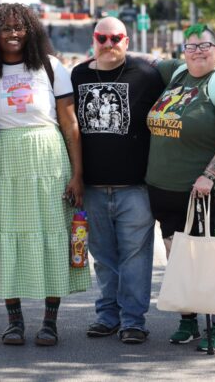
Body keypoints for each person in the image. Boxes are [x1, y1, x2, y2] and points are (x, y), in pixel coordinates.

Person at [0, 3, 89, 347]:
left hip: (48, 160)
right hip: (5, 162)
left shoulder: (50, 67)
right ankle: (14, 322)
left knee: (53, 236)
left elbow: (70, 124)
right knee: (7, 234)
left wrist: (77, 174)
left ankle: (50, 322)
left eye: (19, 27)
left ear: (31, 30)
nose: (13, 34)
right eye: (5, 28)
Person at [146, 23, 215, 351]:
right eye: (191, 46)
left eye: (204, 45)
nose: (197, 51)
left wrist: (209, 175)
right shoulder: (177, 74)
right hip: (168, 189)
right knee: (178, 255)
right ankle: (189, 320)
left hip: (212, 191)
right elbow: (143, 59)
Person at [71, 17, 164, 344]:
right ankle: (107, 316)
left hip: (135, 187)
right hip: (93, 188)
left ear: (126, 40)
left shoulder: (149, 74)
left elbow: (188, 75)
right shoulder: (79, 75)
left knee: (135, 258)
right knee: (104, 259)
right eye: (102, 37)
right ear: (94, 39)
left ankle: (133, 321)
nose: (109, 44)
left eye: (116, 38)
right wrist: (76, 177)